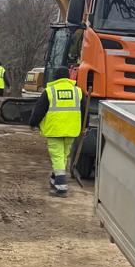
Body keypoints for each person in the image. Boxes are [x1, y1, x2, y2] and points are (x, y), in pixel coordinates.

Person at [29, 67, 85, 197]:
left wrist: (33, 123)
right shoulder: (78, 91)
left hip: (55, 130)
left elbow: (39, 110)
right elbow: (84, 110)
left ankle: (61, 188)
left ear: (55, 77)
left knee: (58, 156)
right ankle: (55, 179)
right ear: (69, 77)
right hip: (71, 130)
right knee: (63, 156)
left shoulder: (50, 91)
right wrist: (85, 126)